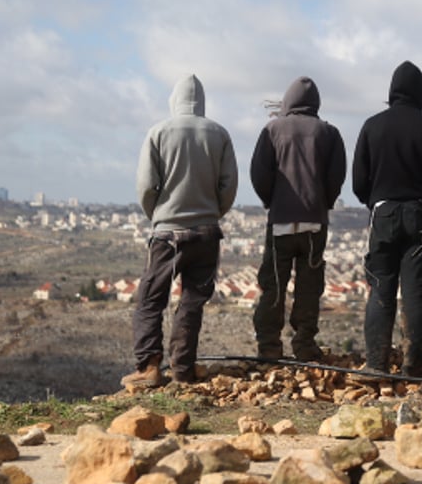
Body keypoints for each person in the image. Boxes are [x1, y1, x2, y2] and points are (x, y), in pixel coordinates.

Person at [123, 74, 239, 389]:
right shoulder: (219, 134)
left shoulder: (158, 132)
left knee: (151, 299)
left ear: (174, 100)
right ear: (201, 103)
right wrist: (213, 213)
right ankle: (183, 370)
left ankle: (149, 368)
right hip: (206, 234)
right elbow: (229, 186)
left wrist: (157, 216)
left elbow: (147, 185)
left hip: (167, 234)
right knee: (191, 302)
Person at [352, 60, 422, 377]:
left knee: (380, 287)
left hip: (382, 213)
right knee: (416, 291)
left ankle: (376, 363)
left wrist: (375, 203)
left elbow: (358, 181)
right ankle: (413, 363)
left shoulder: (372, 126)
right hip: (418, 215)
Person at [249, 76, 347, 361]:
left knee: (273, 285)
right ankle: (304, 346)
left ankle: (269, 347)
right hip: (314, 224)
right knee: (309, 286)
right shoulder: (329, 133)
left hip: (280, 221)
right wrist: (323, 203)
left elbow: (259, 174)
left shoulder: (272, 129)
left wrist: (272, 202)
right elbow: (336, 177)